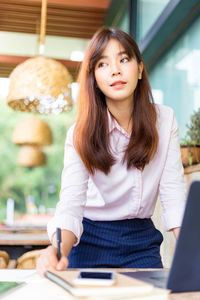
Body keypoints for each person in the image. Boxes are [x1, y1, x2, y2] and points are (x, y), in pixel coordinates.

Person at [37, 27, 186, 276]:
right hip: (88, 242)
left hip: (142, 242)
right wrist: (58, 249)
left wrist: (192, 254)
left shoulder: (164, 120)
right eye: (103, 64)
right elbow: (70, 205)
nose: (115, 70)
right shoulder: (80, 133)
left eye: (123, 59)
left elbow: (174, 197)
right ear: (94, 78)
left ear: (139, 69)